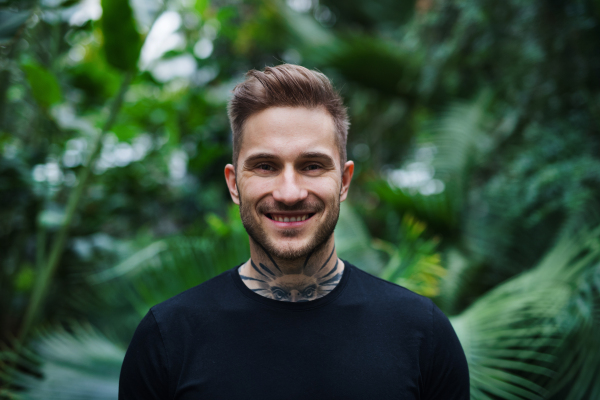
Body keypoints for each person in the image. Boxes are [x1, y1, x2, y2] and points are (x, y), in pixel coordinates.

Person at [118, 64, 470, 399]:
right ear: (234, 183)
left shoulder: (423, 334)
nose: (289, 193)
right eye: (266, 166)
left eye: (312, 166)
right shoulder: (167, 338)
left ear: (344, 181)